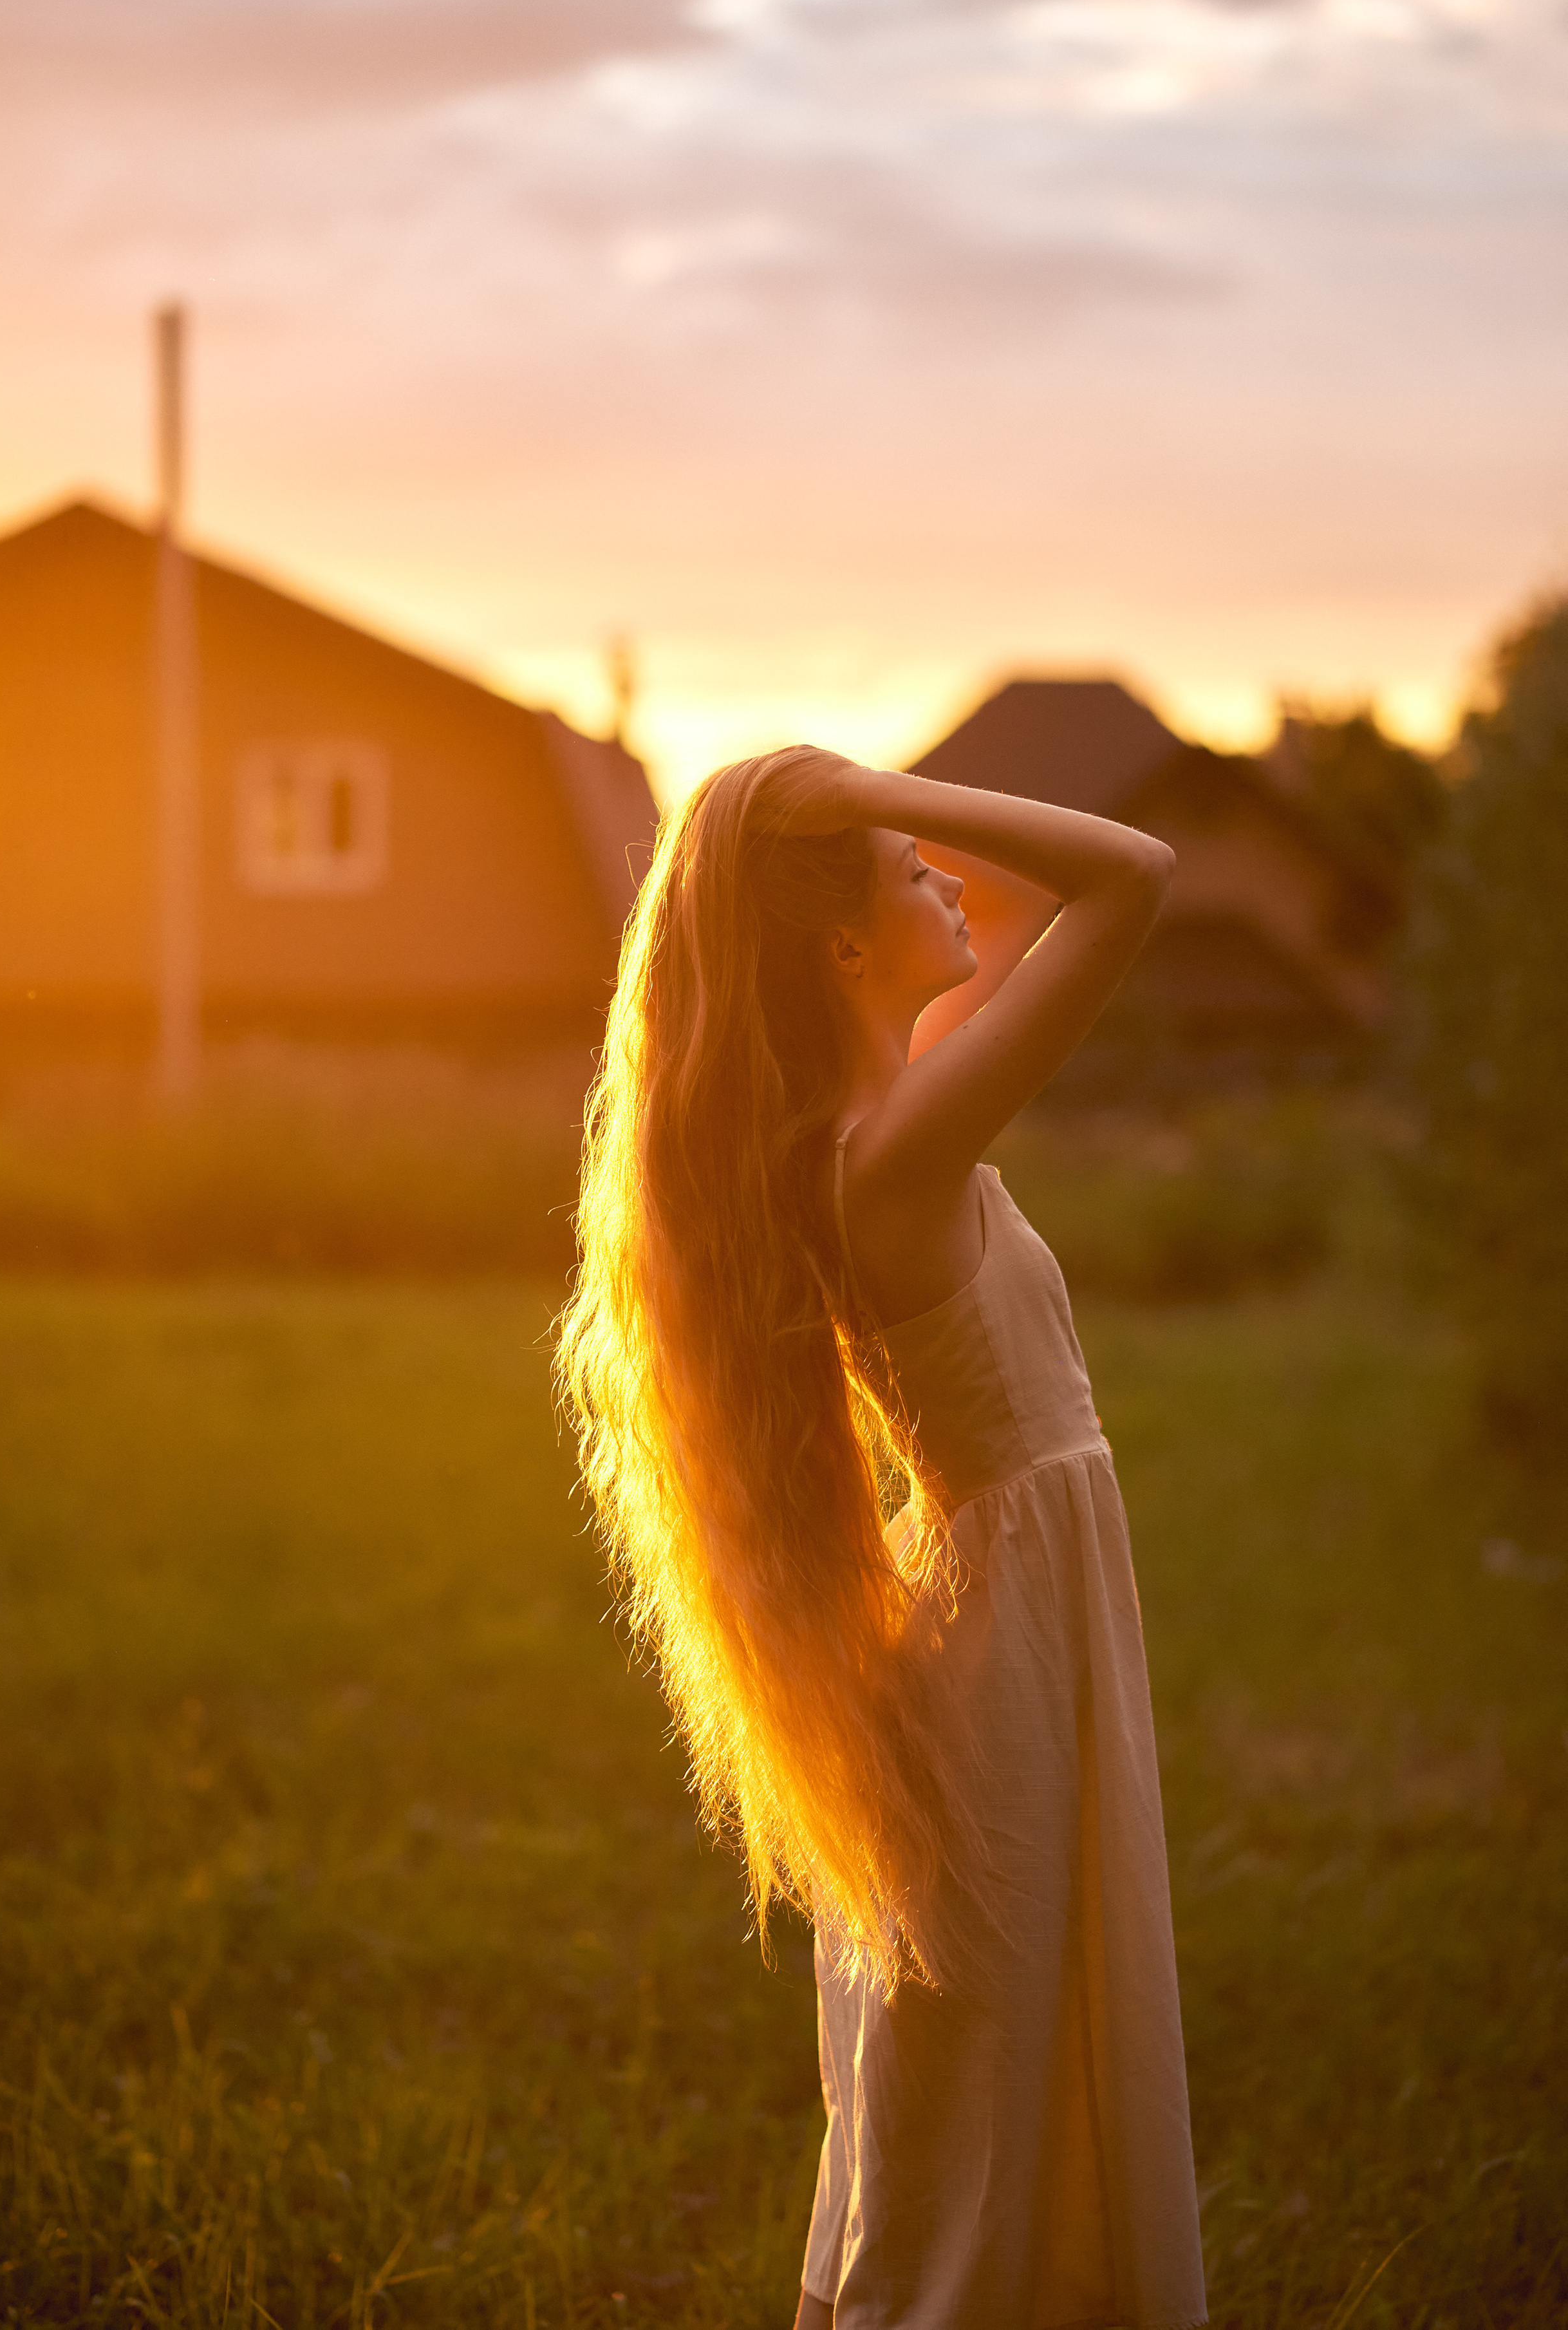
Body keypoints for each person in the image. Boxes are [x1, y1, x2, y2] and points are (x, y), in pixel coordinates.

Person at [557, 746, 1208, 2330]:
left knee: (995, 2052)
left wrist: (869, 813)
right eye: (911, 866)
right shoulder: (891, 1160)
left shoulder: (882, 1125)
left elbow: (1103, 884)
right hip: (1005, 1631)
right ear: (838, 947)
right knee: (985, 2070)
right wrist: (873, 782)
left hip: (999, 1605)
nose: (947, 876)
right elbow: (1131, 875)